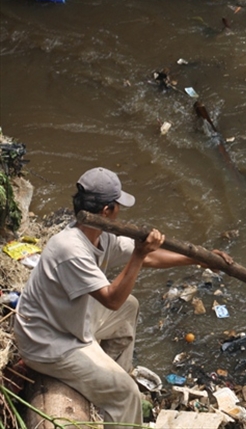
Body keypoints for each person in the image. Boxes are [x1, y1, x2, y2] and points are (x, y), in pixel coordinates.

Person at [13, 167, 232, 428]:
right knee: (128, 394)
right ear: (107, 211)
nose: (120, 212)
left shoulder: (100, 236)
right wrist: (139, 254)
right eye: (117, 206)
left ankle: (112, 379)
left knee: (130, 307)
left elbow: (150, 258)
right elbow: (111, 299)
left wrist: (198, 259)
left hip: (68, 322)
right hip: (48, 342)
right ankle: (118, 399)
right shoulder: (70, 249)